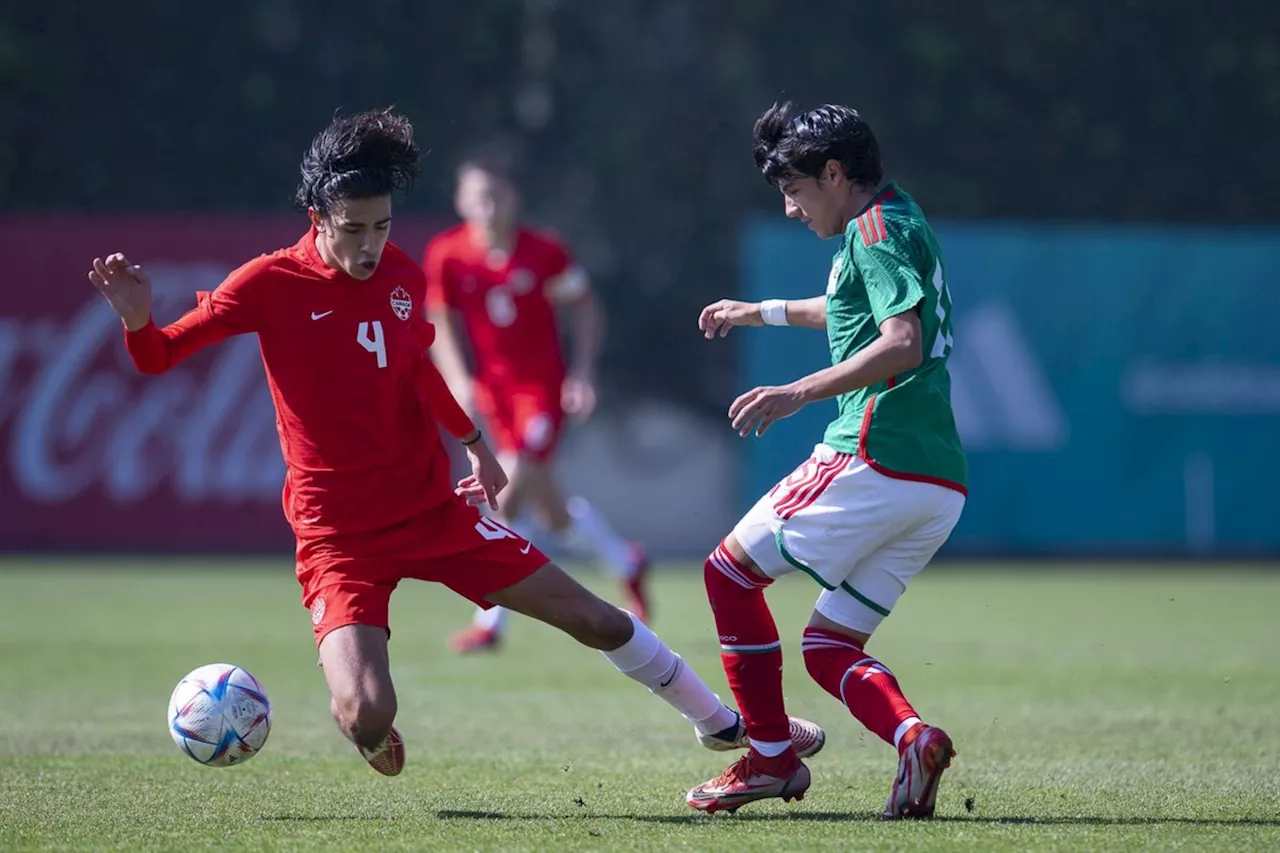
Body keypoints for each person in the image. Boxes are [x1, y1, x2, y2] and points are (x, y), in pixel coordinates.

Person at [87, 108, 824, 779]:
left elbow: (418, 372)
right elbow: (158, 356)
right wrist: (137, 318)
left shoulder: (403, 277)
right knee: (365, 713)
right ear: (318, 218)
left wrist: (475, 443)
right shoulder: (268, 283)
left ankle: (729, 724)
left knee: (593, 616)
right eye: (354, 230)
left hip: (431, 512)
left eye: (381, 226)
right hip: (337, 535)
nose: (371, 246)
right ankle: (378, 737)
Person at [685, 101, 968, 818]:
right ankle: (914, 736)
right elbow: (848, 307)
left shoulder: (871, 233)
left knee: (727, 572)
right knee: (826, 644)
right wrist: (761, 310)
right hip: (937, 482)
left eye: (795, 190)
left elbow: (899, 340)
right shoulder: (897, 217)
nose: (788, 208)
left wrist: (798, 391)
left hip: (876, 452)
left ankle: (773, 758)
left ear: (835, 173)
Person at [423, 156, 650, 655]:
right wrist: (460, 380)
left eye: (497, 195)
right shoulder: (448, 254)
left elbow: (586, 308)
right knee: (551, 515)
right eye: (478, 196)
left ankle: (490, 623)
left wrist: (583, 372)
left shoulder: (544, 251)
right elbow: (437, 319)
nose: (488, 206)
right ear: (462, 202)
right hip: (493, 397)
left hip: (540, 393)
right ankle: (626, 561)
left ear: (513, 197)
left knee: (508, 485)